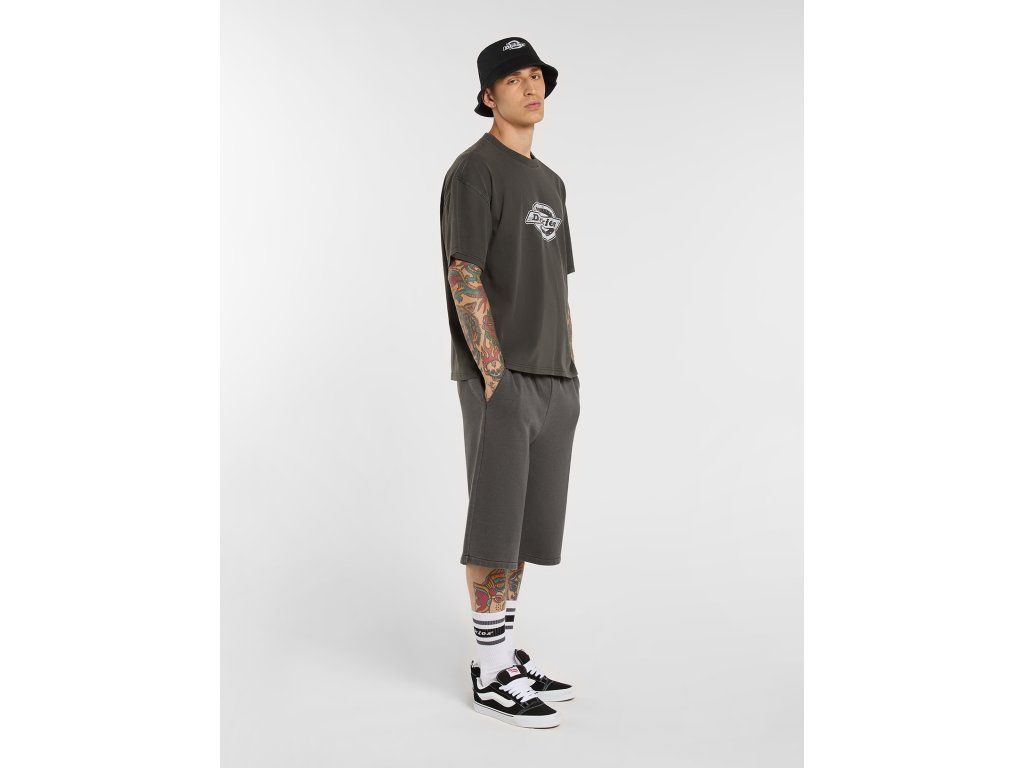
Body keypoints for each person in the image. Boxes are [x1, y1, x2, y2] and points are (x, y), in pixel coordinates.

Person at [438, 37, 581, 729]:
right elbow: (464, 272)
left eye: (537, 76)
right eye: (515, 79)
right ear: (488, 95)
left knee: (524, 527)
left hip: (555, 379)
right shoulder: (474, 171)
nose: (531, 88)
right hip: (503, 378)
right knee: (495, 527)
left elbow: (558, 283)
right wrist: (494, 375)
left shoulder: (551, 182)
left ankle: (502, 654)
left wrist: (569, 370)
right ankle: (491, 673)